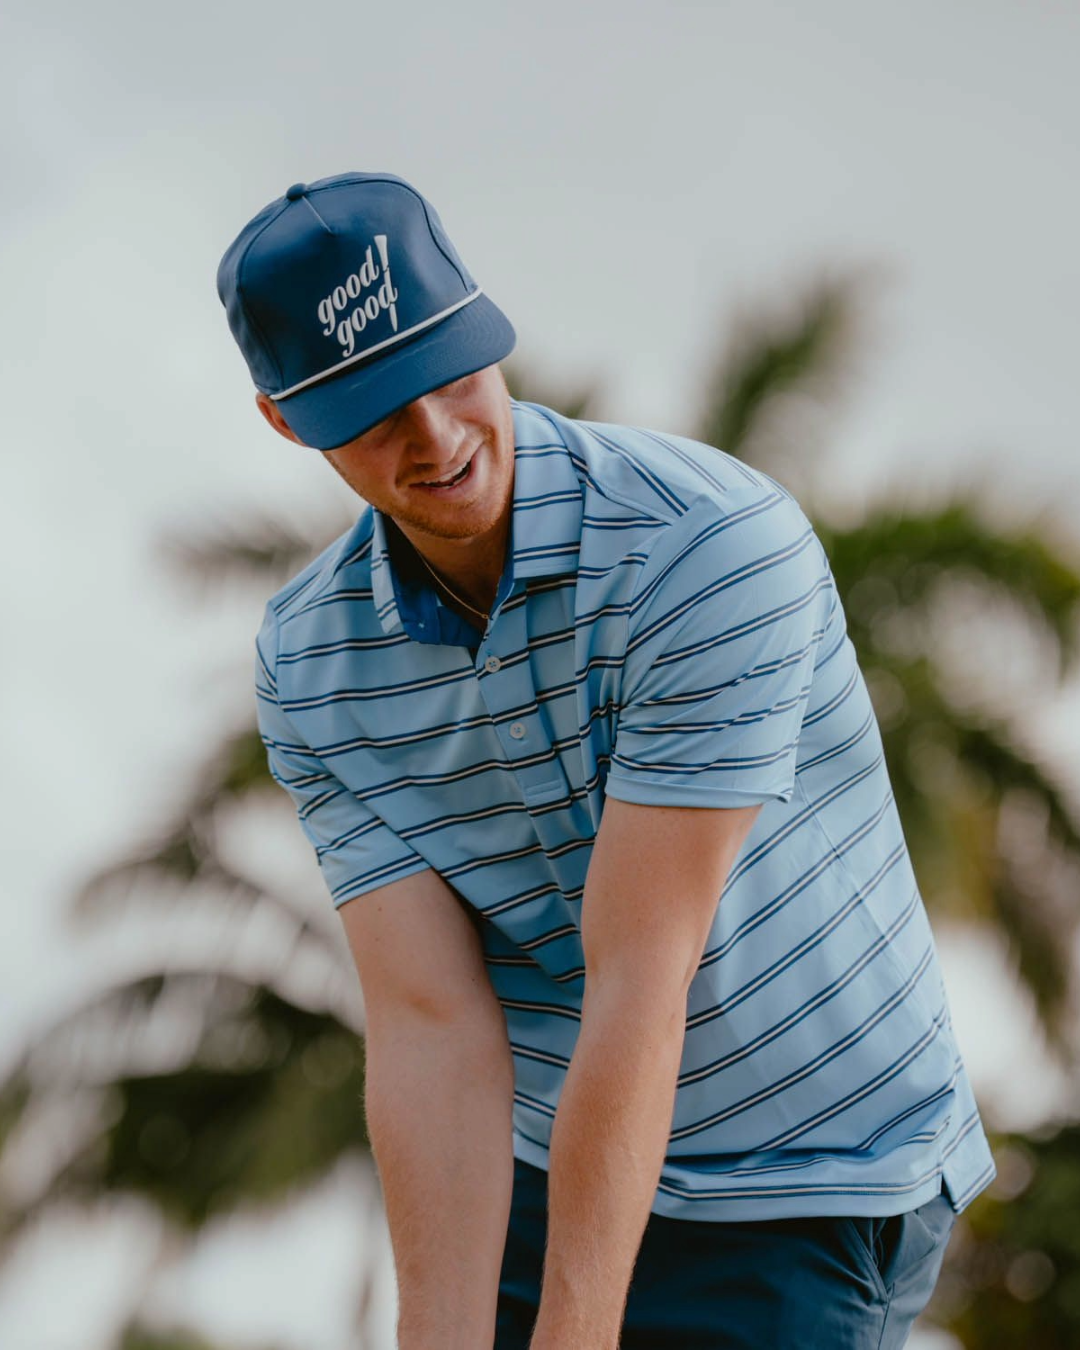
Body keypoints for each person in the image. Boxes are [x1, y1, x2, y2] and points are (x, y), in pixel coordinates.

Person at [217, 172, 995, 1350]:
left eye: (447, 371)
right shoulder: (311, 663)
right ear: (287, 420)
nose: (436, 440)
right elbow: (431, 1022)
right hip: (548, 1155)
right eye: (373, 410)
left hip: (808, 1170)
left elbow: (641, 975)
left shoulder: (710, 546)